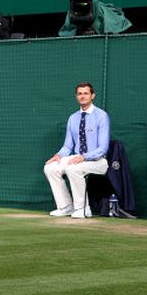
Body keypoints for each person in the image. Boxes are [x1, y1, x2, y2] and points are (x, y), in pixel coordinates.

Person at [42, 83, 111, 218]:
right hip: (78, 158)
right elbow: (68, 146)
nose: (82, 96)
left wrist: (84, 157)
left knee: (73, 169)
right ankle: (65, 207)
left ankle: (82, 208)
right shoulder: (73, 118)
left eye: (85, 93)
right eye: (79, 94)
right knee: (50, 167)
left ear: (92, 96)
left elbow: (103, 148)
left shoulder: (102, 116)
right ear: (76, 97)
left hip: (98, 161)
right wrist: (58, 155)